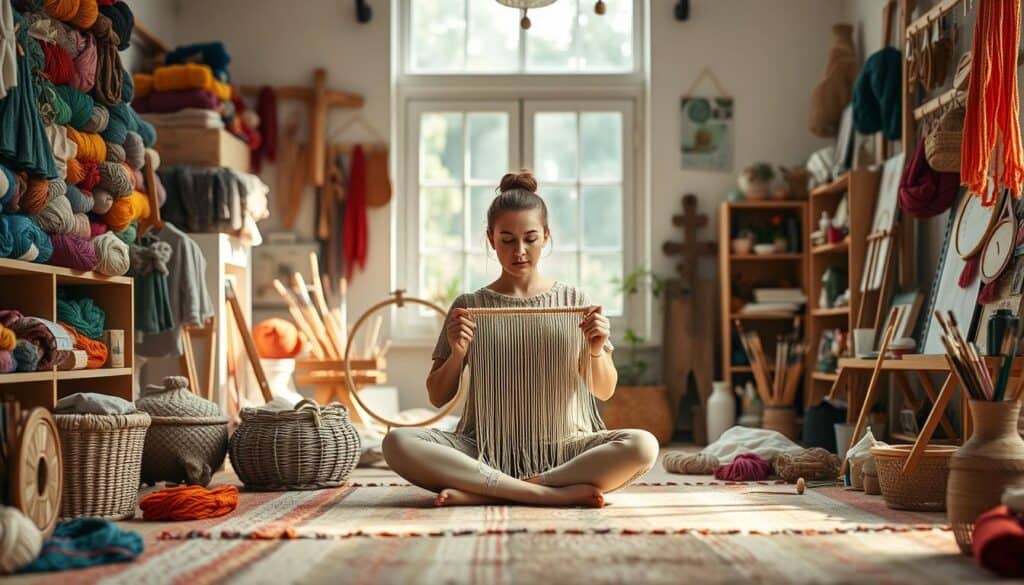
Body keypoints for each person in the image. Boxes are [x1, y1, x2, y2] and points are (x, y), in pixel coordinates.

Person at [383, 170, 659, 507]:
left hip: (565, 452)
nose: (520, 251)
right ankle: (541, 495)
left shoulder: (574, 301)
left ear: (546, 236)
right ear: (490, 239)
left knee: (644, 445)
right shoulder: (470, 306)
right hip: (481, 450)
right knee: (396, 442)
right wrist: (456, 353)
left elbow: (604, 389)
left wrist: (597, 350)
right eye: (507, 240)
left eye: (530, 238)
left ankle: (489, 491)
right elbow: (438, 396)